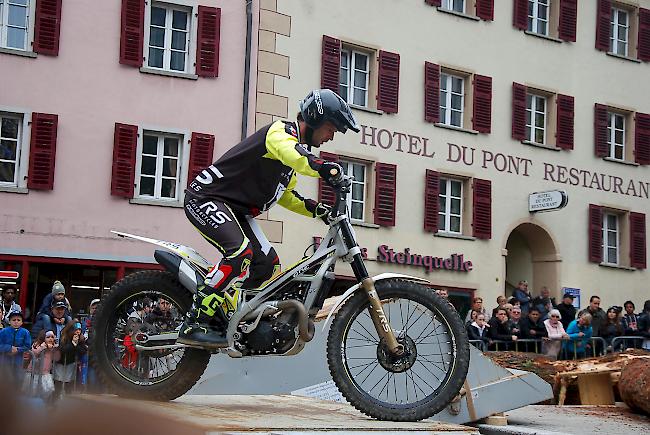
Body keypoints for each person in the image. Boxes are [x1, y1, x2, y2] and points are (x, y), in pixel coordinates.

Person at [178, 88, 359, 348]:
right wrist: (325, 168)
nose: (331, 136)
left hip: (234, 209)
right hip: (205, 198)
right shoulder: (280, 133)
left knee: (269, 265)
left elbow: (286, 196)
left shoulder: (291, 154)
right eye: (332, 128)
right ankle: (193, 322)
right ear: (316, 119)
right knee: (240, 254)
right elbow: (297, 157)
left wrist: (319, 210)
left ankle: (235, 316)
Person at [53, 321, 88, 397]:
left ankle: (67, 401)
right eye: (76, 329)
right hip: (61, 364)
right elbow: (62, 350)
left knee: (68, 385)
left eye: (79, 329)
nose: (78, 332)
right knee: (58, 384)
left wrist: (76, 345)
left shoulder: (81, 339)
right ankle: (55, 401)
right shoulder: (64, 337)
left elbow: (83, 351)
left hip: (71, 364)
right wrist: (72, 344)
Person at [23, 330, 57, 400]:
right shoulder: (37, 344)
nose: (50, 339)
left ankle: (42, 402)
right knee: (33, 389)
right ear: (43, 338)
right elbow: (35, 352)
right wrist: (43, 347)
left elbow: (57, 355)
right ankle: (32, 403)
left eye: (52, 337)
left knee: (48, 388)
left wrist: (53, 348)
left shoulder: (54, 346)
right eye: (48, 337)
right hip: (34, 371)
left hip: (45, 372)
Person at [0, 311, 32, 379]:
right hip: (5, 360)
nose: (16, 322)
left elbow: (27, 345)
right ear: (9, 321)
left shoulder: (25, 332)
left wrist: (17, 349)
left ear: (22, 322)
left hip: (18, 361)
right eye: (13, 320)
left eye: (18, 320)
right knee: (4, 379)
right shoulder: (3, 331)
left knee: (17, 379)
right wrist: (9, 348)